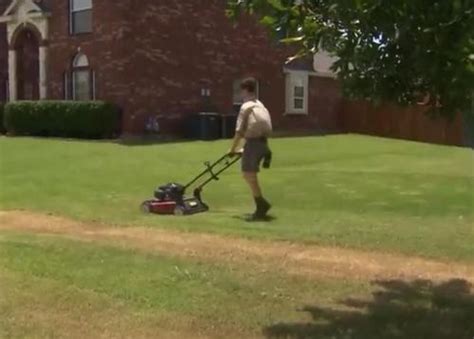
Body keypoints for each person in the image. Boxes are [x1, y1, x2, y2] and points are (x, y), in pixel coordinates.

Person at [229, 77, 273, 220]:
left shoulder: (246, 106)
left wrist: (232, 149)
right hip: (263, 143)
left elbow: (239, 131)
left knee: (248, 174)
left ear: (245, 90)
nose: (240, 93)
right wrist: (243, 149)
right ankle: (261, 203)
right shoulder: (260, 104)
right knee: (250, 174)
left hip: (253, 143)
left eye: (241, 90)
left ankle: (261, 205)